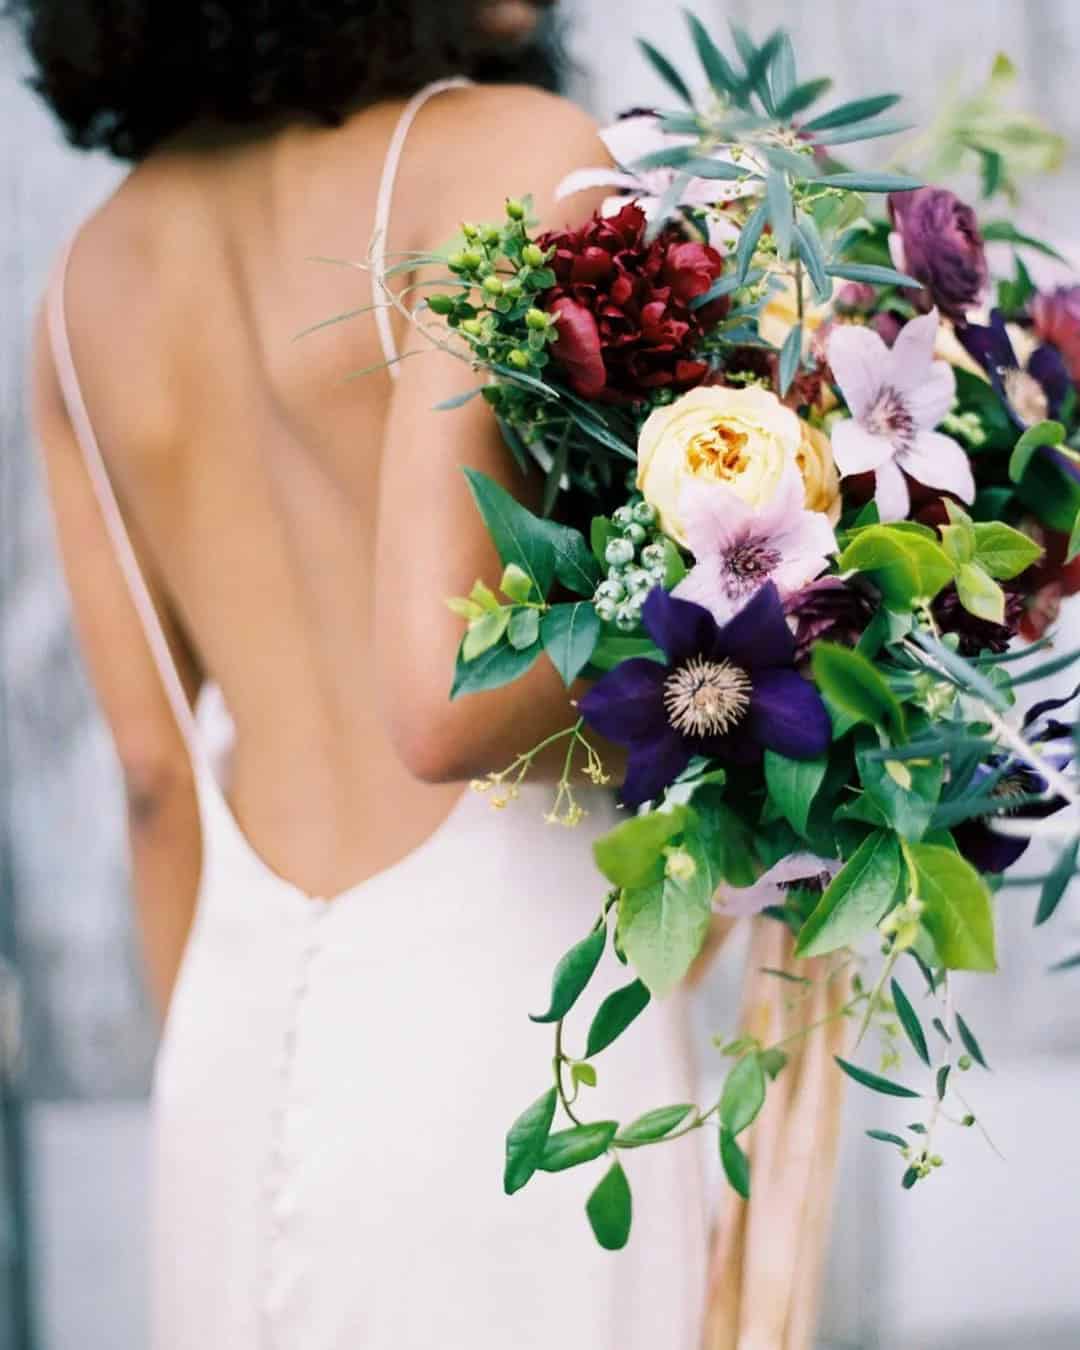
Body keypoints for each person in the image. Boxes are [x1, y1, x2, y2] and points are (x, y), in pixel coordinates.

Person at [19, 2, 707, 1345]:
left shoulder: (78, 289)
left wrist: (231, 1092)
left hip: (230, 1053)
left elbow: (157, 780)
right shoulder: (509, 157)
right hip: (510, 1046)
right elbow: (443, 693)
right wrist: (767, 609)